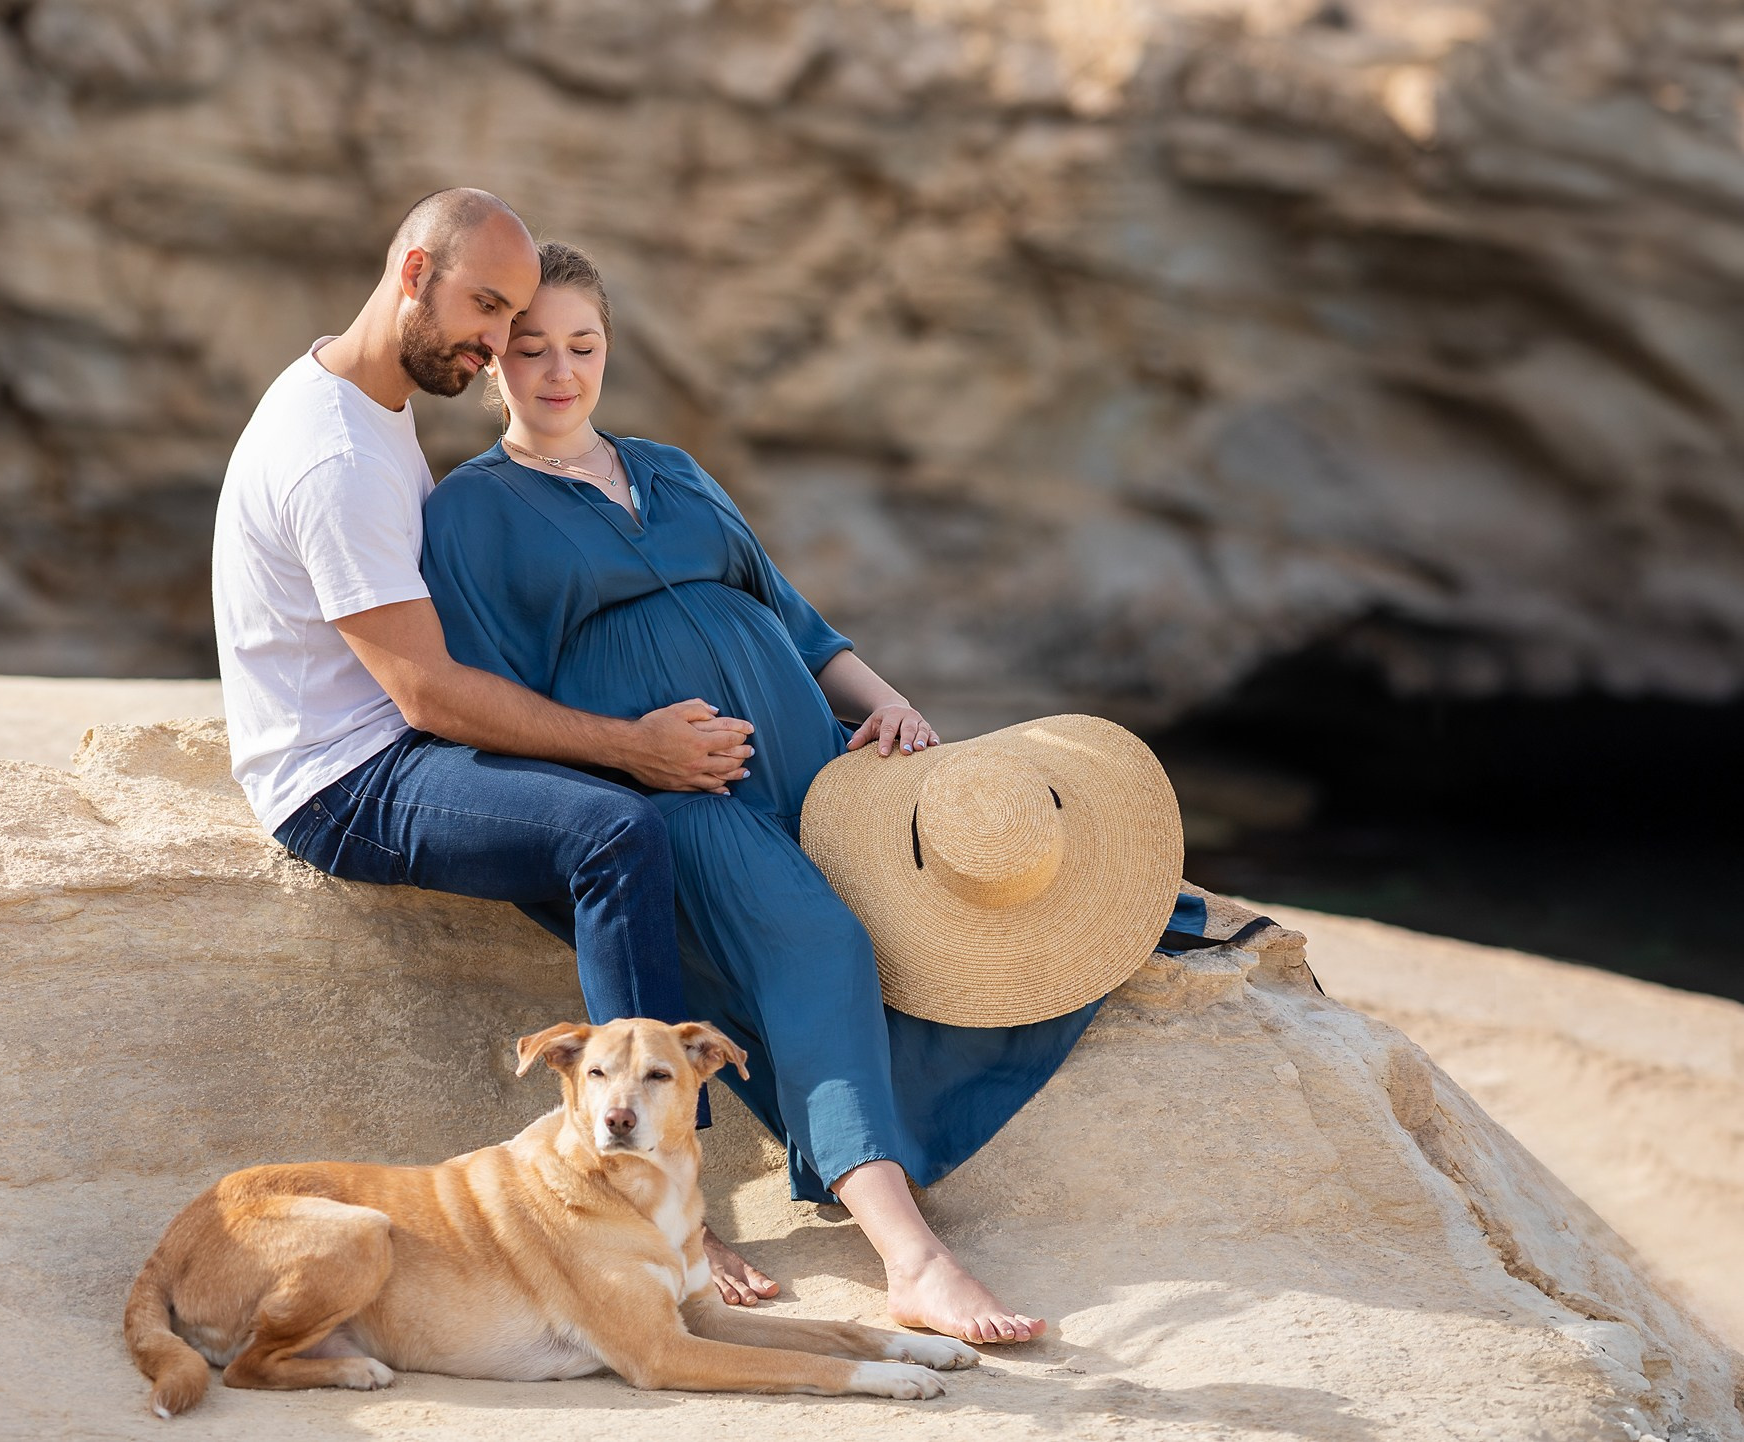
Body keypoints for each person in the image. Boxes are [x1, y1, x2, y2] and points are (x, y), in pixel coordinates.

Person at [419, 241, 1196, 1345]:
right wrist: (634, 753)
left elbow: (791, 618)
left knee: (945, 900)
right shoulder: (471, 510)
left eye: (581, 345)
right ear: (493, 359)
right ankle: (909, 1253)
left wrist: (889, 708)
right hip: (667, 790)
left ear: (608, 349)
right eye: (530, 348)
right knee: (817, 938)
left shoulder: (672, 467)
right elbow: (494, 695)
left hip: (815, 762)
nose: (558, 370)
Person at [209, 187, 765, 1281]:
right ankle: (657, 1204)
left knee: (655, 845)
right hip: (341, 776)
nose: (498, 341)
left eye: (513, 316)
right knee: (614, 831)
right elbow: (423, 692)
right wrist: (627, 742)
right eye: (487, 308)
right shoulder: (336, 457)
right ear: (412, 273)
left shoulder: (360, 393)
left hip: (386, 738)